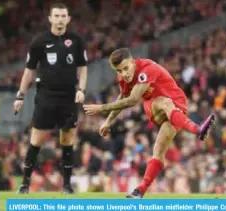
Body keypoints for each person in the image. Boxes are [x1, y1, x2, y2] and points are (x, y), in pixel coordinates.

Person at [83, 48, 215, 198]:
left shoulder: (147, 69)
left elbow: (132, 100)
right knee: (165, 102)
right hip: (155, 105)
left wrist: (102, 108)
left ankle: (140, 190)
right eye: (119, 71)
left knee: (158, 152)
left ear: (133, 62)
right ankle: (198, 129)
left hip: (178, 108)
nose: (124, 74)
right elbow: (124, 98)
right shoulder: (123, 79)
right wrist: (108, 121)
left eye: (126, 68)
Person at [13, 3, 88, 194]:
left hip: (69, 96)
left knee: (67, 139)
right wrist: (20, 96)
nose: (60, 19)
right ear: (50, 18)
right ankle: (25, 183)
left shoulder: (76, 40)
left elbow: (83, 67)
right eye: (57, 16)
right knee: (36, 138)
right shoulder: (39, 41)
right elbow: (29, 71)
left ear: (68, 19)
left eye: (64, 16)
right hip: (46, 96)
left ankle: (67, 185)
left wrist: (82, 89)